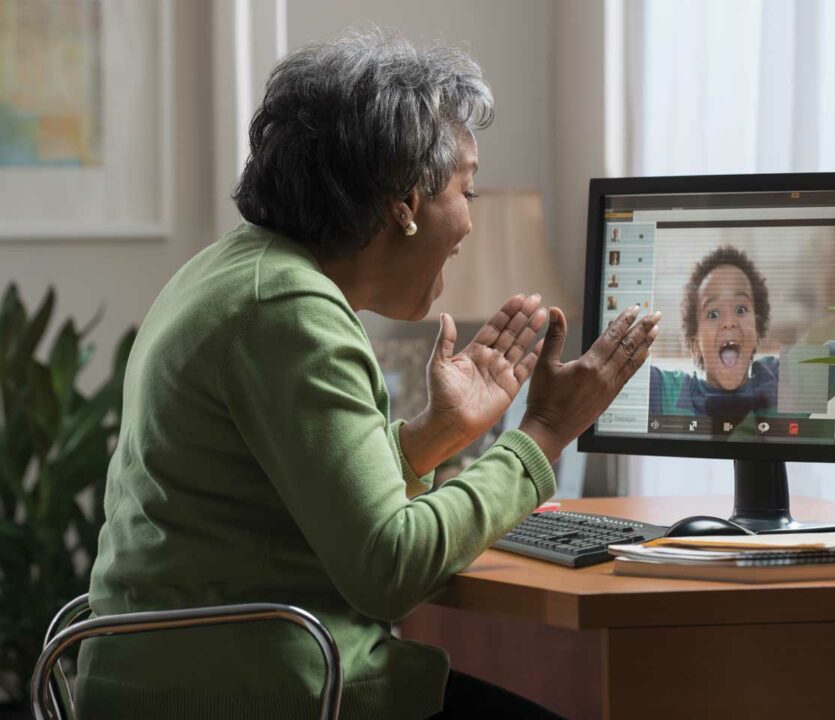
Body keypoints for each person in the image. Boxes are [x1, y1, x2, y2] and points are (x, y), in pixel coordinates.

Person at [75, 31, 661, 720]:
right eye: (467, 190)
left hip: (171, 683)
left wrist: (436, 434)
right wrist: (545, 431)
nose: (470, 223)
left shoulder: (238, 271)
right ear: (404, 202)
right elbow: (389, 570)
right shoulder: (289, 311)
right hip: (259, 696)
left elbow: (308, 493)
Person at [649, 245, 775, 418]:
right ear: (695, 344)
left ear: (757, 330)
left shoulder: (778, 382)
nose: (729, 323)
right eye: (713, 314)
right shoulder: (668, 393)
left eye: (740, 310)